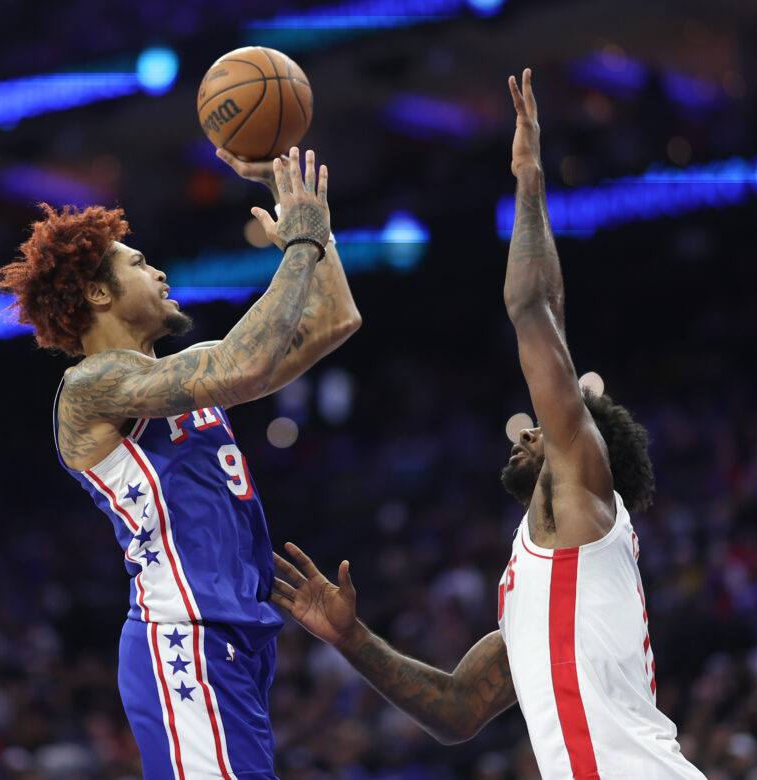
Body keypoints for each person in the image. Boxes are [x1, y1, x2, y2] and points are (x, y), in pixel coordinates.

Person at [271, 71, 705, 779]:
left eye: (547, 428)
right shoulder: (540, 576)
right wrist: (350, 638)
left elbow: (535, 310)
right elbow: (455, 710)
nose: (528, 431)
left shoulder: (586, 502)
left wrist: (529, 179)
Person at [0, 146, 360, 778]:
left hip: (238, 636)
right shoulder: (90, 386)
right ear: (98, 292)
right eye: (140, 264)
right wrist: (299, 245)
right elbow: (246, 363)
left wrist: (315, 233)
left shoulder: (182, 377)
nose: (160, 273)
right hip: (184, 634)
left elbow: (334, 320)